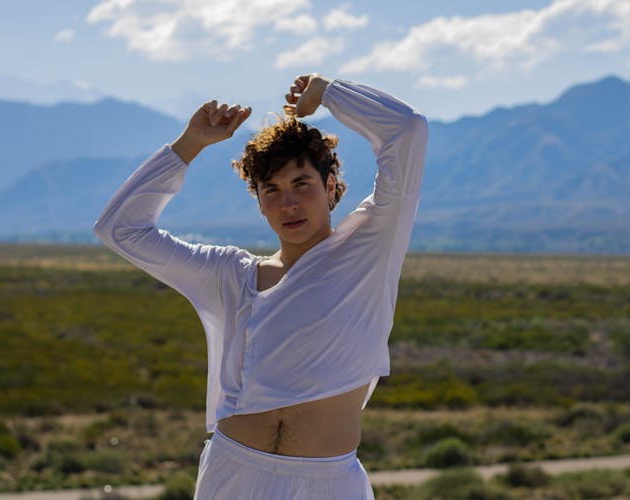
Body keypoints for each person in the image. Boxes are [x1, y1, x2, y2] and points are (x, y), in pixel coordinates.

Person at [93, 73, 428, 499]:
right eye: (271, 190)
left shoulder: (368, 249)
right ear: (259, 202)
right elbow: (121, 228)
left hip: (327, 483)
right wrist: (189, 144)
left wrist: (327, 93)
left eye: (301, 185)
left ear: (329, 188)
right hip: (234, 475)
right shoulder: (228, 274)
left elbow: (408, 129)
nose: (288, 203)